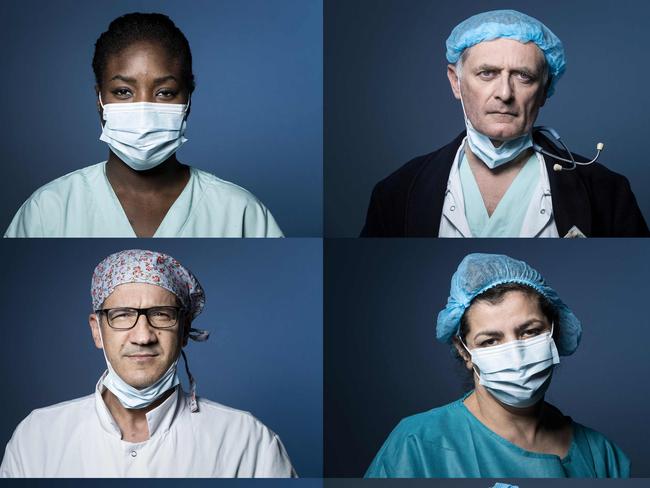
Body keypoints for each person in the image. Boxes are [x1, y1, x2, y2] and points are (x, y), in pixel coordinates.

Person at [0, 249, 296, 477]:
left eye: (162, 314)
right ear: (96, 330)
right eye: (122, 314)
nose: (143, 336)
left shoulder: (248, 441)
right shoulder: (37, 437)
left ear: (183, 329)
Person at [360, 10, 649, 237]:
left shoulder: (607, 192)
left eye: (524, 76)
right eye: (487, 73)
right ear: (456, 82)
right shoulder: (396, 192)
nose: (505, 93)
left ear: (545, 90)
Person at [4, 13, 283, 237]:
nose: (144, 112)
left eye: (165, 92)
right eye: (123, 92)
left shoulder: (239, 213)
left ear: (188, 100)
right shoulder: (48, 210)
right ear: (99, 100)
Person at [365, 253, 630, 478]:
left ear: (554, 331)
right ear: (464, 351)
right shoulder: (418, 445)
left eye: (529, 332)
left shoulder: (601, 457)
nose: (515, 354)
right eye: (491, 340)